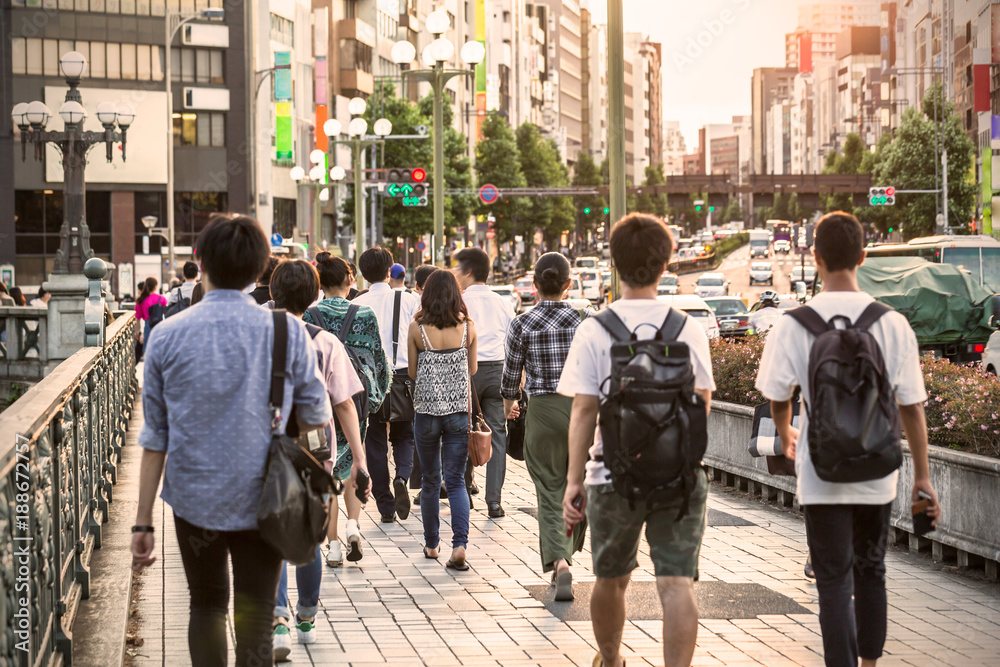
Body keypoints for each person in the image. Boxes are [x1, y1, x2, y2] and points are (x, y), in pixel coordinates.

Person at [130, 214, 332, 667]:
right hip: (266, 493)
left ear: (201, 264)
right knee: (256, 610)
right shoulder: (288, 332)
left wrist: (143, 522)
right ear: (260, 267)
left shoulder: (166, 336)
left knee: (205, 604)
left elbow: (155, 437)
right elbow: (318, 414)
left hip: (193, 493)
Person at [755, 212, 941, 667]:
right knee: (871, 571)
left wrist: (785, 431)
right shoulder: (892, 323)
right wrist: (923, 476)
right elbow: (911, 407)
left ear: (815, 258)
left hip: (820, 472)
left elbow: (779, 396)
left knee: (833, 581)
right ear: (862, 257)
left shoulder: (793, 324)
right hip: (878, 470)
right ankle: (871, 664)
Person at [560, 214, 715, 667]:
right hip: (678, 479)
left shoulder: (595, 329)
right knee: (676, 583)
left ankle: (611, 661)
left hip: (612, 476)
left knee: (611, 578)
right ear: (666, 265)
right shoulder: (687, 328)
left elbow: (584, 411)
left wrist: (574, 482)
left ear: (614, 263)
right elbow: (701, 403)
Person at [268, 259, 368, 662]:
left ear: (273, 292)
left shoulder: (254, 336)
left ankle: (278, 620)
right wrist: (359, 460)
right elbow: (345, 406)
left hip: (266, 446)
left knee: (271, 534)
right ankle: (306, 615)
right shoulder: (324, 341)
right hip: (314, 449)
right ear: (313, 297)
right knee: (309, 532)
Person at [502, 253, 587, 601]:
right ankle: (569, 547)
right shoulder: (585, 320)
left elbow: (510, 376)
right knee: (577, 482)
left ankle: (560, 563)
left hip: (542, 412)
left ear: (534, 286)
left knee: (550, 491)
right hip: (581, 409)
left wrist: (510, 405)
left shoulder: (522, 323)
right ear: (568, 284)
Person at [303, 252, 390, 565]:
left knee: (325, 469)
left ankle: (334, 545)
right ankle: (353, 525)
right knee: (357, 459)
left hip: (320, 403)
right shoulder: (364, 313)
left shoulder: (310, 314)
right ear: (350, 280)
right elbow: (379, 361)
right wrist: (374, 399)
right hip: (355, 399)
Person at [407, 269, 478, 570]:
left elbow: (412, 372)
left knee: (431, 481)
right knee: (457, 481)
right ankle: (459, 544)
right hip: (458, 414)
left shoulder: (417, 328)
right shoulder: (468, 327)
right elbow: (472, 369)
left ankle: (432, 544)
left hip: (426, 412)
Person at [352, 247, 421, 524]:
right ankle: (402, 477)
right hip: (403, 374)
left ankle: (385, 505)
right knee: (405, 435)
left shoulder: (357, 301)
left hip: (368, 378)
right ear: (389, 269)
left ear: (362, 273)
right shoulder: (408, 299)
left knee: (375, 441)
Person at [453, 247, 514, 518]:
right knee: (497, 433)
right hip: (497, 371)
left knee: (462, 431)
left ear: (468, 271)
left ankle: (465, 491)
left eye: (457, 268)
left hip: (467, 371)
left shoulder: (459, 301)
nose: (455, 273)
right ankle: (494, 501)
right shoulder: (503, 302)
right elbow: (511, 343)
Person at [135, 277, 166, 356]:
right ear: (156, 287)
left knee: (148, 351)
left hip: (148, 325)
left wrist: (136, 332)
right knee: (159, 349)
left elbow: (137, 318)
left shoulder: (141, 300)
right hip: (160, 325)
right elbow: (166, 313)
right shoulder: (161, 299)